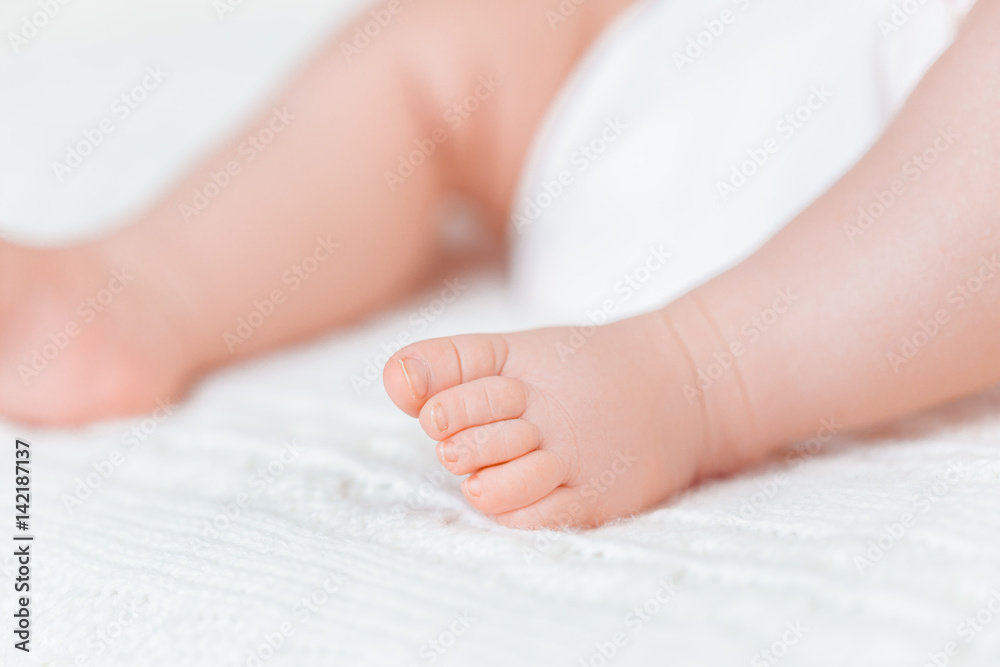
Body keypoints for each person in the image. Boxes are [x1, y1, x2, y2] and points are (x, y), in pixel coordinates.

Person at [3, 0, 998, 529]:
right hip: (686, 72)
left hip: (907, 226)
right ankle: (143, 287)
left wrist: (695, 372)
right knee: (458, 34)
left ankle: (702, 373)